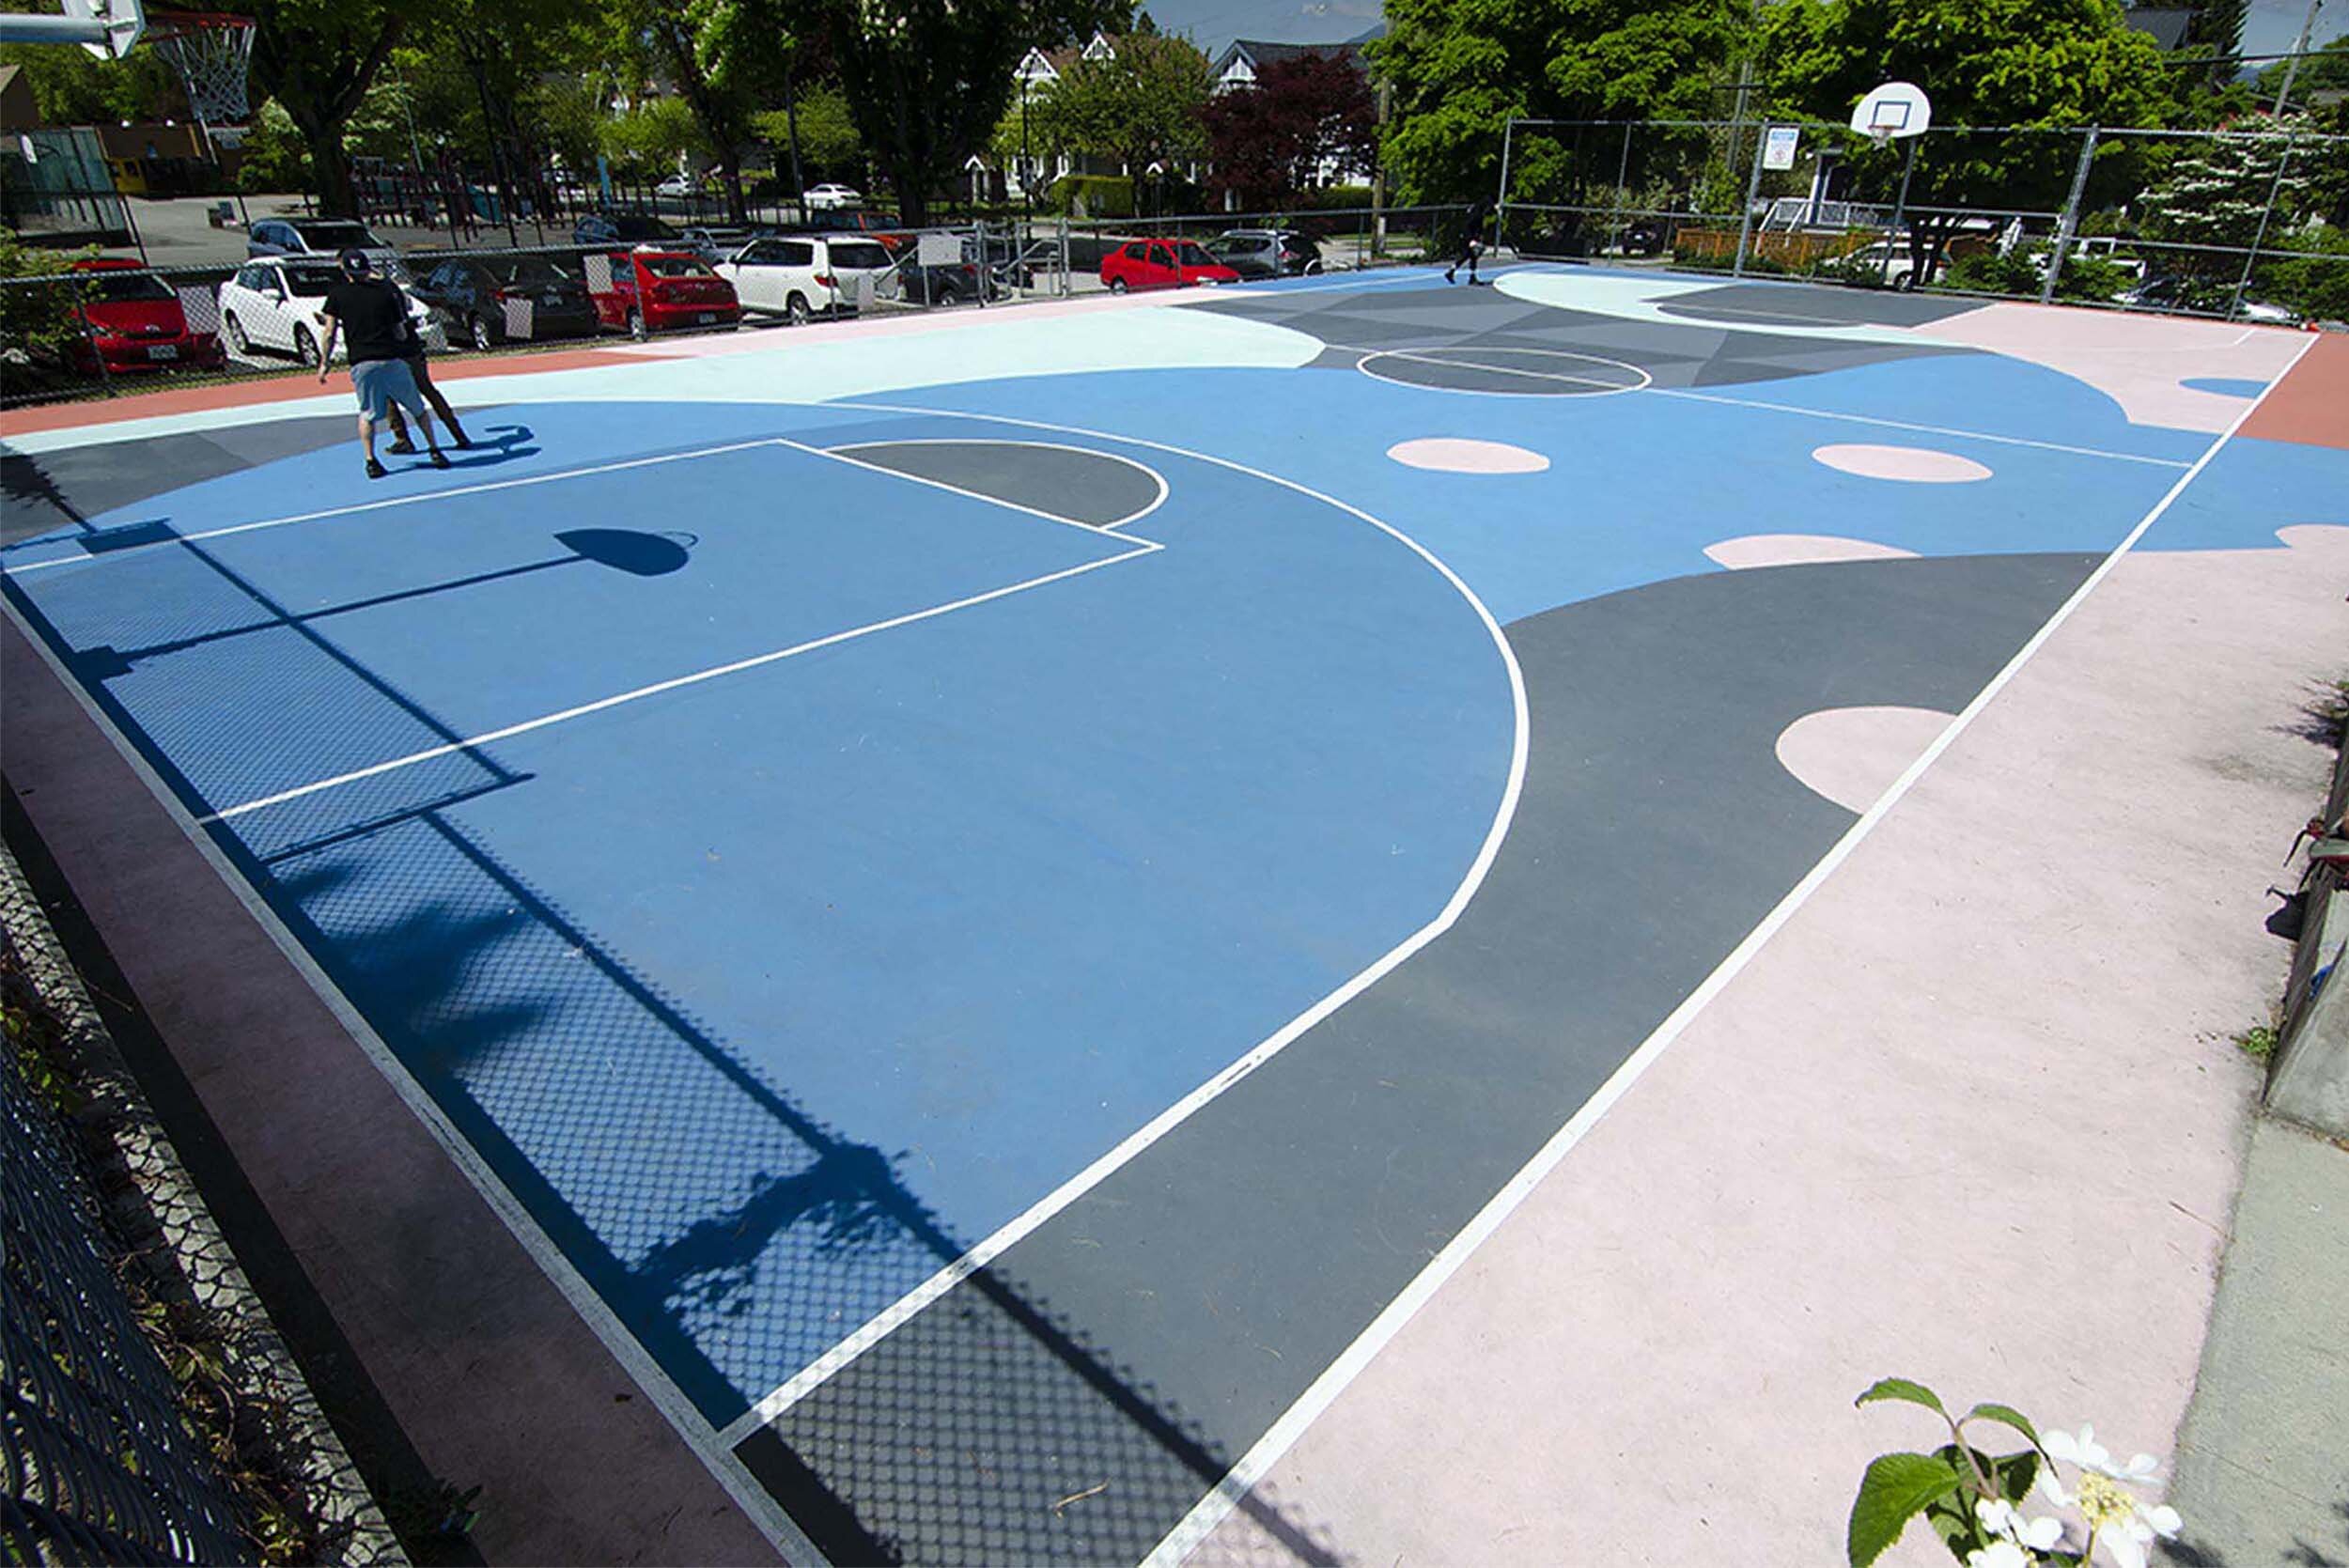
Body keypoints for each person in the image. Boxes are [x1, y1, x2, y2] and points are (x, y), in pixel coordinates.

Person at [317, 248, 448, 478]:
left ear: (346, 272)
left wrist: (324, 362)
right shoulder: (384, 293)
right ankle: (434, 450)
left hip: (362, 362)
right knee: (417, 408)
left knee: (367, 413)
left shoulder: (337, 295)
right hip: (390, 358)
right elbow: (399, 331)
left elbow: (329, 332)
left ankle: (371, 461)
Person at [1446, 198, 1492, 286]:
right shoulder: (1475, 215)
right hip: (1468, 238)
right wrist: (1471, 240)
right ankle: (1455, 273)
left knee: (1471, 257)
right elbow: (1467, 227)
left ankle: (1467, 275)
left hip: (1473, 237)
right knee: (1467, 255)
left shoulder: (1479, 213)